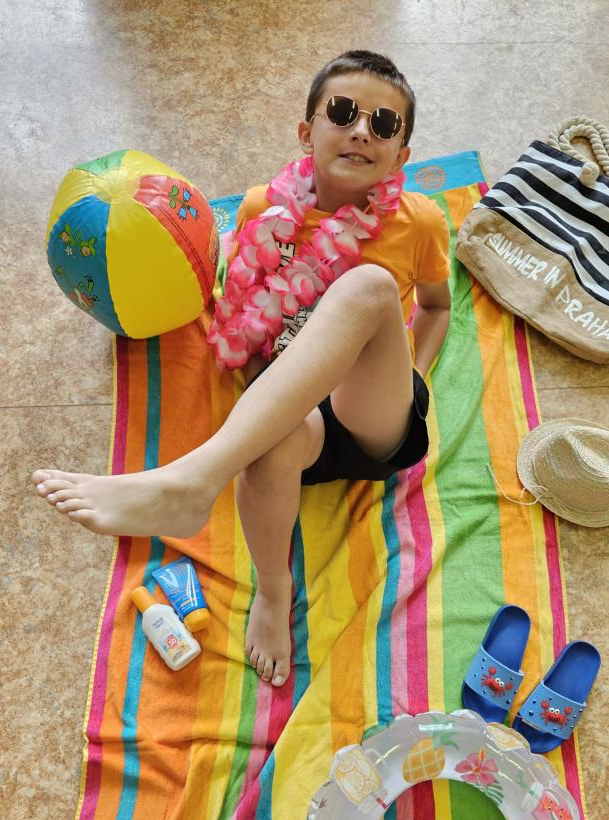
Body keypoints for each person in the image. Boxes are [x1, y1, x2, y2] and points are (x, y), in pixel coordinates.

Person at [31, 50, 451, 688]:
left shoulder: (419, 221)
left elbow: (437, 307)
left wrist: (412, 374)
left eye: (384, 124)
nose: (362, 130)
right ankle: (275, 595)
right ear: (307, 132)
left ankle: (195, 479)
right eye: (343, 112)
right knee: (271, 446)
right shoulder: (262, 210)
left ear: (401, 155)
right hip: (293, 415)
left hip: (372, 412)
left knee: (368, 288)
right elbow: (246, 309)